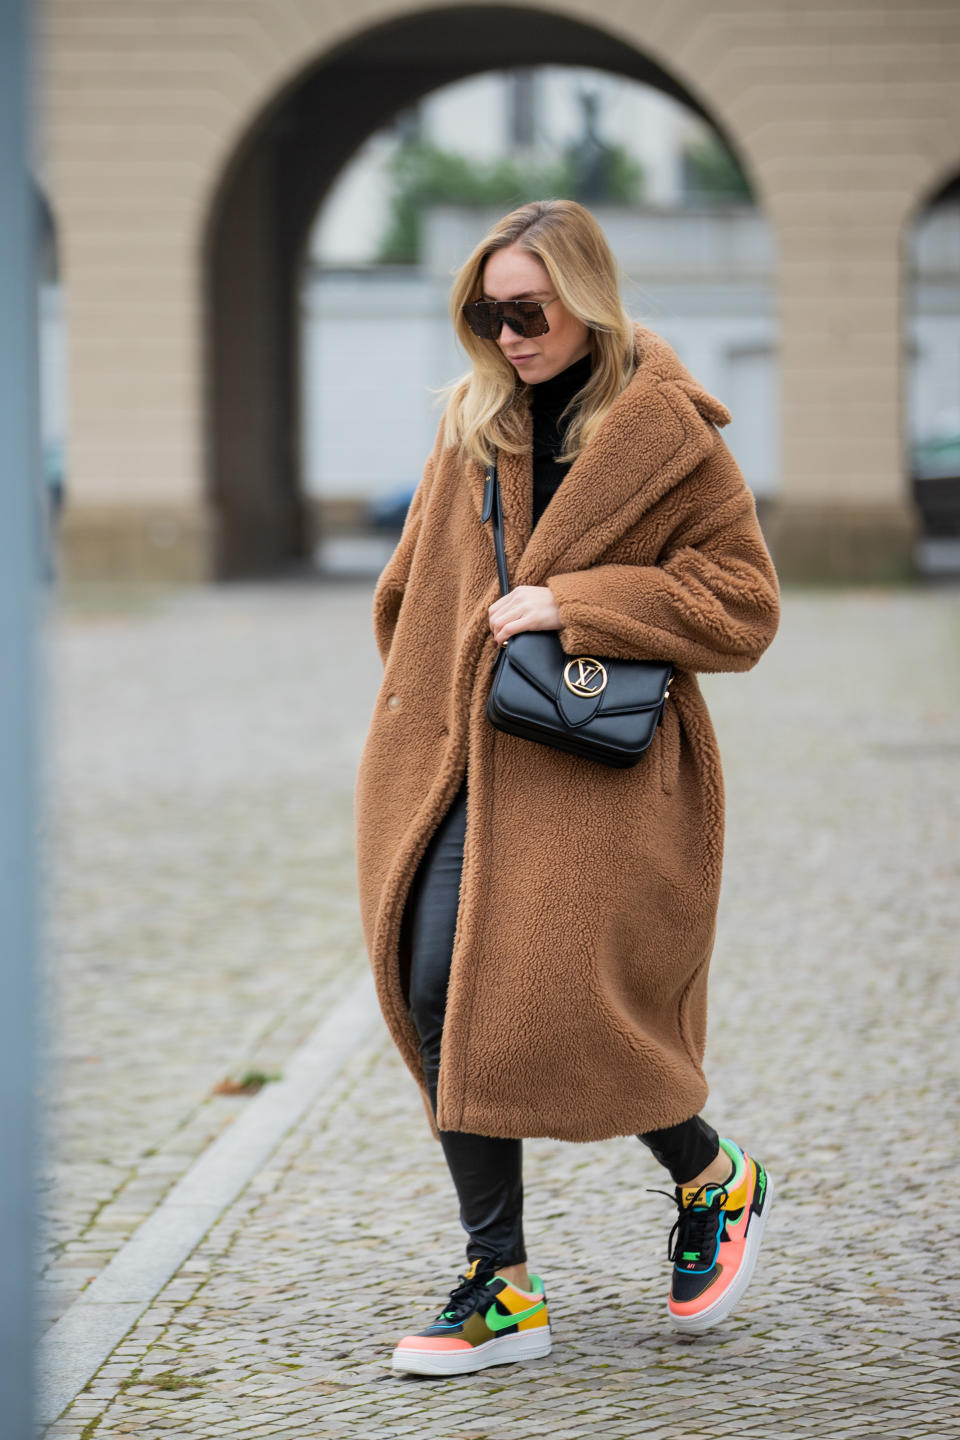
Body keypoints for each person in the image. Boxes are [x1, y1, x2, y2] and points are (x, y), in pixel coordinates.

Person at [353, 199, 780, 1378]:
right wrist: (419, 697)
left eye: (527, 311)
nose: (506, 335)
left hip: (597, 764)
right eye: (484, 313)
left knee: (570, 1004)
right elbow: (409, 589)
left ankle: (711, 1174)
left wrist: (581, 604)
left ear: (587, 301)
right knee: (441, 986)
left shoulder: (670, 436)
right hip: (459, 750)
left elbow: (744, 605)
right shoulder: (470, 423)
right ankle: (503, 1284)